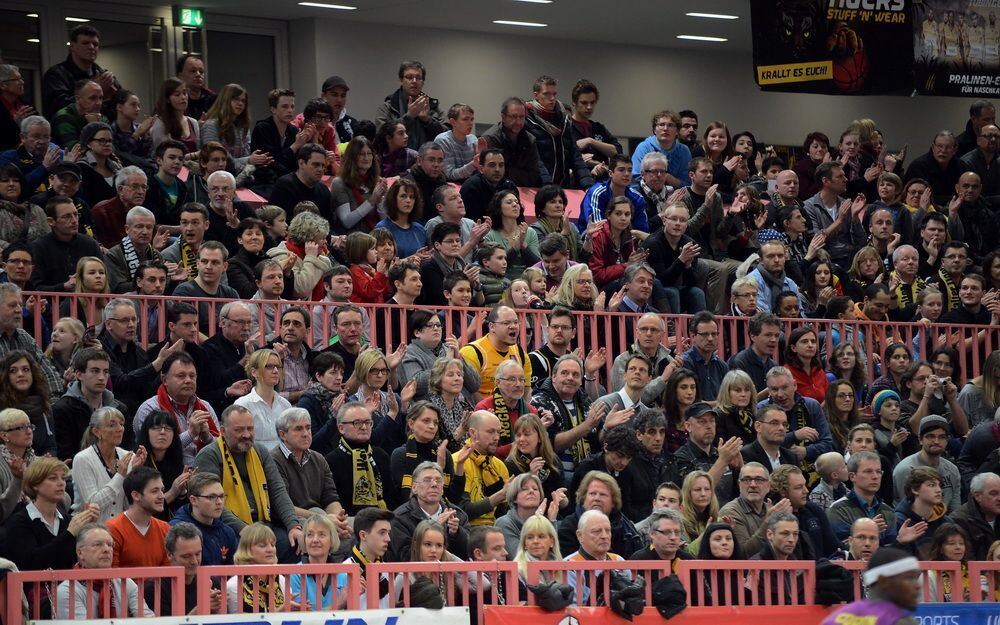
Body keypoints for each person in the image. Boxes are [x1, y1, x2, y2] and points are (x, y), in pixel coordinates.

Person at [193, 404, 305, 563]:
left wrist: (293, 526)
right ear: (223, 431)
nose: (246, 435)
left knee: (295, 542)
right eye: (239, 430)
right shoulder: (210, 455)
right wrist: (243, 529)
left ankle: (283, 587)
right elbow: (212, 502)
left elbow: (278, 492)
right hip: (229, 529)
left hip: (264, 525)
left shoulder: (260, 451)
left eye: (250, 429)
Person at [55, 523, 154, 618]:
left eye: (110, 545)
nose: (107, 549)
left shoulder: (125, 583)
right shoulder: (67, 591)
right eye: (98, 544)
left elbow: (147, 619)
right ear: (80, 553)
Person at [52, 347, 130, 463]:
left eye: (106, 372)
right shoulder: (62, 409)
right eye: (95, 371)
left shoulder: (119, 408)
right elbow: (66, 456)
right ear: (79, 374)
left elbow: (127, 449)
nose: (101, 377)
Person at [71, 406, 145, 524]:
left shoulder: (128, 456)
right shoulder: (83, 459)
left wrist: (135, 472)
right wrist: (120, 475)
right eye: (112, 425)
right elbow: (92, 505)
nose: (120, 429)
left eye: (121, 424)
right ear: (96, 431)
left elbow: (130, 504)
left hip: (121, 528)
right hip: (91, 530)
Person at [389, 461, 471, 561]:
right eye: (427, 480)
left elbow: (467, 554)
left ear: (442, 489)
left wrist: (456, 534)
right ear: (414, 488)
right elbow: (405, 556)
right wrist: (435, 528)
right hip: (415, 575)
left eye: (438, 480)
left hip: (452, 575)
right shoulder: (399, 518)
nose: (434, 484)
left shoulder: (458, 515)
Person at [820, 546, 922, 625]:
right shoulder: (899, 621)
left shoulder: (836, 618)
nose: (918, 586)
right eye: (910, 578)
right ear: (883, 581)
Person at [558, 470, 642, 558]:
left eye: (603, 495)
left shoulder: (627, 531)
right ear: (583, 499)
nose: (597, 498)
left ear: (613, 502)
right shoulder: (569, 527)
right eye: (592, 494)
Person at [641, 202, 706, 313]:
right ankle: (673, 329)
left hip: (677, 287)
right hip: (656, 290)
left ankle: (698, 328)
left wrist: (688, 266)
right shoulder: (653, 243)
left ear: (686, 224)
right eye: (674, 219)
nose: (678, 223)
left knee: (697, 293)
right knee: (672, 292)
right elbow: (661, 281)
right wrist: (681, 260)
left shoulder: (690, 243)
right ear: (664, 220)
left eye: (683, 220)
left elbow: (691, 283)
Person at [892, 415, 961, 512]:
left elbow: (955, 510)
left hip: (945, 523)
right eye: (931, 436)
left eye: (941, 437)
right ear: (920, 439)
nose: (936, 441)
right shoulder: (906, 469)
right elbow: (908, 509)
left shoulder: (952, 470)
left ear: (947, 440)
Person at [106, 467, 170, 567]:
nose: (162, 496)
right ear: (136, 495)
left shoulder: (165, 529)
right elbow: (113, 577)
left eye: (162, 490)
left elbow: (168, 573)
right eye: (154, 491)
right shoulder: (113, 529)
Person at [169, 472, 239, 566]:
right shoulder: (175, 530)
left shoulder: (227, 532)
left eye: (221, 496)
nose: (219, 502)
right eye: (211, 497)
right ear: (193, 500)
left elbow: (234, 574)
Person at [225, 523, 297, 613]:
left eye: (272, 545)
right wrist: (279, 612)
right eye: (262, 545)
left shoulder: (281, 581)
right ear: (247, 549)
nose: (270, 549)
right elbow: (241, 622)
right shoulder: (234, 585)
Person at [136, 410, 194, 519]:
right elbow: (144, 510)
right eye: (156, 428)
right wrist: (173, 492)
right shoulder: (138, 463)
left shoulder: (177, 464)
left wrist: (182, 491)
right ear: (146, 432)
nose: (162, 432)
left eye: (168, 428)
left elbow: (183, 511)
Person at [375, 61, 446, 150]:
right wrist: (408, 117)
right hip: (396, 161)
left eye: (418, 78)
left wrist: (427, 121)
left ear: (423, 82)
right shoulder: (387, 107)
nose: (414, 81)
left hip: (426, 161)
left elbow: (446, 137)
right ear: (401, 80)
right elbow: (381, 137)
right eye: (409, 77)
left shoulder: (433, 107)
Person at [563, 510, 626, 606]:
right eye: (597, 531)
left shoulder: (619, 561)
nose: (604, 536)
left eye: (608, 530)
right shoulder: (570, 566)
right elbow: (572, 610)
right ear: (580, 536)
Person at [336, 507, 395, 608]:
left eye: (388, 533)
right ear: (363, 535)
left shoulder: (388, 571)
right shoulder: (343, 571)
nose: (388, 539)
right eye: (382, 533)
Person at [0, 352, 57, 457]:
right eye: (13, 371)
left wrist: (47, 463)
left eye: (26, 369)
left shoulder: (44, 405)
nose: (21, 374)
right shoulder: (2, 409)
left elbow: (50, 446)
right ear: (5, 376)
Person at [482, 97, 546, 187]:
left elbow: (534, 175)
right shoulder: (491, 138)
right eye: (514, 117)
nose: (519, 122)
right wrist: (519, 173)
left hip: (525, 191)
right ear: (503, 117)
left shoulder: (531, 140)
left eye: (522, 117)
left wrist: (508, 171)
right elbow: (492, 174)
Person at [288, 514, 341, 610]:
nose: (315, 540)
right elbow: (304, 618)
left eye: (322, 535)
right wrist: (340, 603)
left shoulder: (344, 574)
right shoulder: (295, 574)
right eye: (310, 535)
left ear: (332, 540)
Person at [269, 144, 334, 222]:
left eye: (323, 165)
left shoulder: (324, 191)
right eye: (316, 164)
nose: (320, 169)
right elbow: (280, 224)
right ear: (301, 163)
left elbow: (329, 223)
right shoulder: (284, 186)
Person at [631, 110, 692, 189]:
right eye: (661, 125)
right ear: (654, 130)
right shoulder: (644, 147)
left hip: (677, 196)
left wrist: (668, 178)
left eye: (670, 125)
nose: (665, 129)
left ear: (677, 131)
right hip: (645, 193)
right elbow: (636, 177)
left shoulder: (684, 151)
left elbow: (687, 183)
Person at [628, 507, 693, 578]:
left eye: (677, 532)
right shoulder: (638, 560)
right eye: (666, 532)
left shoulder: (688, 560)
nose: (673, 537)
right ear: (652, 533)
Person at [727, 312, 780, 394]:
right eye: (768, 335)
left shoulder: (774, 366)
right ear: (753, 336)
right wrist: (767, 392)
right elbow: (740, 399)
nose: (773, 340)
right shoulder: (739, 362)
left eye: (776, 335)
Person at [952, 472, 1000, 561]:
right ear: (977, 496)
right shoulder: (959, 520)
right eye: (994, 494)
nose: (999, 498)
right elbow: (966, 559)